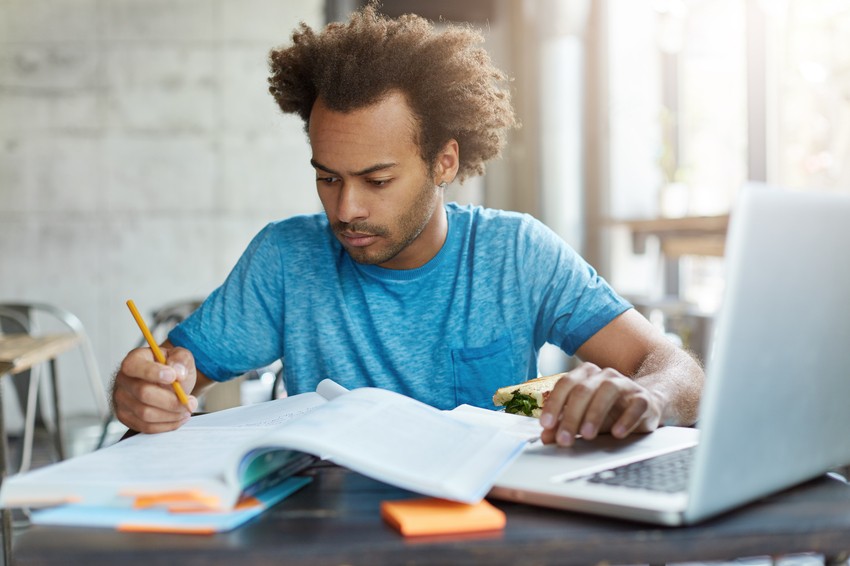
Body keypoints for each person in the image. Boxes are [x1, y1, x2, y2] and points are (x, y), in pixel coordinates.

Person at [112, 4, 704, 447]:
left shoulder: (516, 253)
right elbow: (177, 366)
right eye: (328, 178)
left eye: (377, 180)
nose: (345, 211)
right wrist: (148, 387)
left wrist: (645, 395)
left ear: (444, 162)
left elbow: (676, 369)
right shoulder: (286, 257)